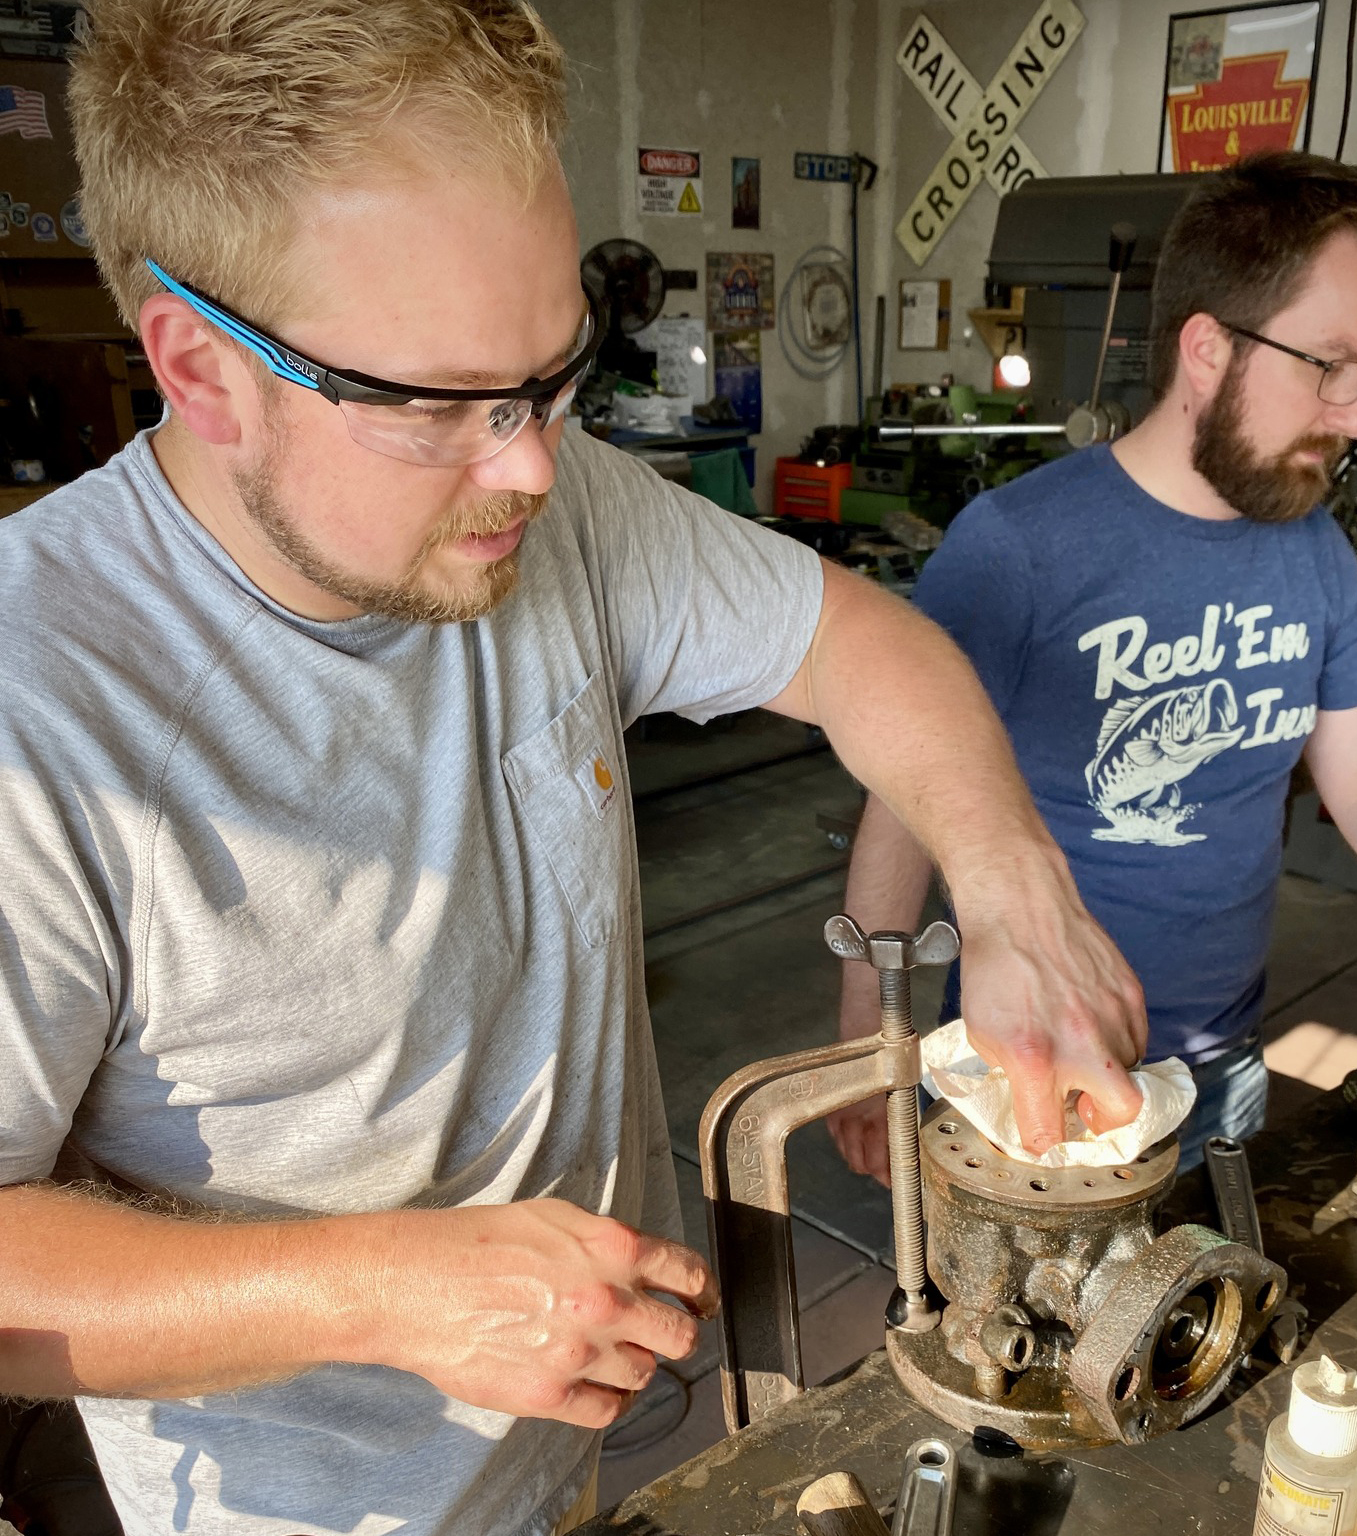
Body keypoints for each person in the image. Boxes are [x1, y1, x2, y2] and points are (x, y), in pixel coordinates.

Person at [0, 4, 1148, 1533]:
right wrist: (380, 1287)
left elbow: (860, 644)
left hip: (595, 1439)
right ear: (204, 371)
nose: (533, 463)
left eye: (552, 378)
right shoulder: (43, 712)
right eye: (444, 405)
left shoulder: (559, 510)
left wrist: (1014, 889)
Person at [830, 152, 1357, 1188]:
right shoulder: (1019, 546)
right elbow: (901, 798)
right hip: (1032, 1072)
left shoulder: (1315, 551)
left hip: (1225, 1069)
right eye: (1329, 367)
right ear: (1207, 350)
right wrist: (867, 1050)